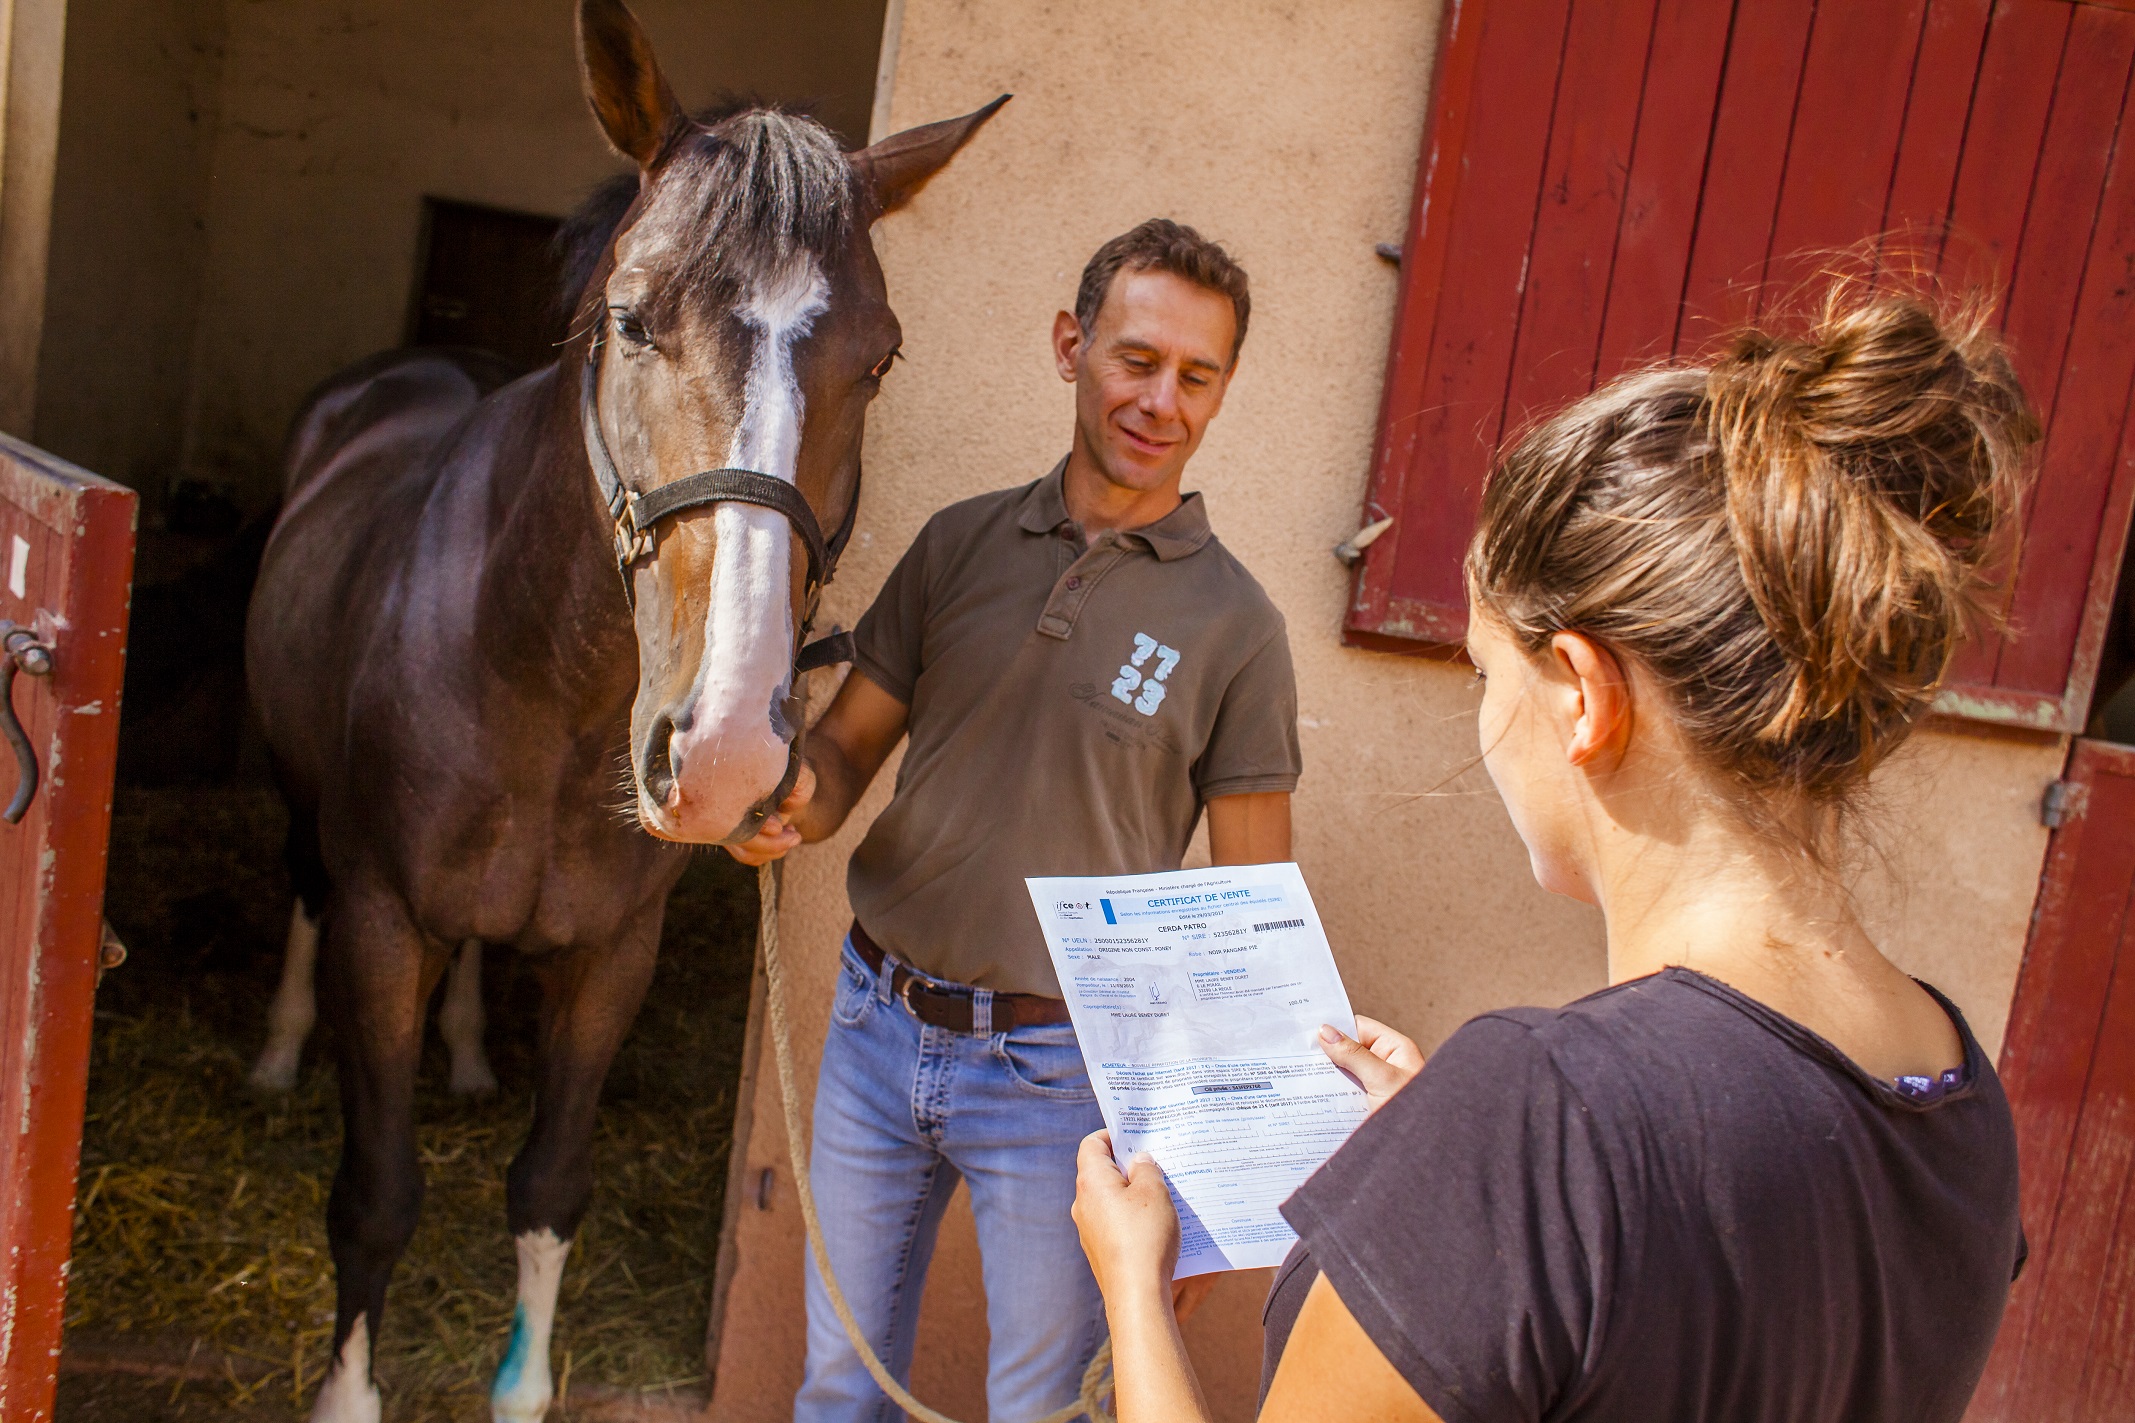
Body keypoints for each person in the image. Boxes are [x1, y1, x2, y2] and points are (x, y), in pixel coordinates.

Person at [1072, 284, 2036, 1423]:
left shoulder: (1537, 1117)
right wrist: (1438, 1174)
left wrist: (1131, 1280)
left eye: (1488, 677)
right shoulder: (1956, 1088)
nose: (1485, 728)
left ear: (1580, 694)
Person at [730, 218, 1301, 1422]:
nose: (1160, 399)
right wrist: (783, 805)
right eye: (1133, 359)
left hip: (1062, 1077)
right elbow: (841, 752)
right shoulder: (959, 543)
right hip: (876, 1029)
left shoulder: (1235, 624)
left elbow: (1250, 931)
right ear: (1069, 346)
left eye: (1195, 376)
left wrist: (1200, 1187)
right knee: (839, 1383)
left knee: (1041, 1406)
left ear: (1222, 391)